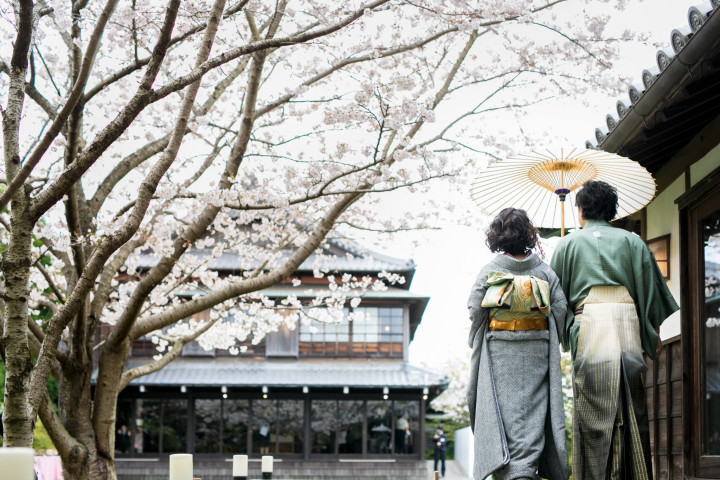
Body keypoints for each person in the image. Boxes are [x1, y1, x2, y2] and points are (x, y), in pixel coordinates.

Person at [550, 180, 679, 480]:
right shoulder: (633, 242)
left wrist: (570, 330)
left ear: (580, 211)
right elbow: (650, 294)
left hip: (588, 323)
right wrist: (651, 334)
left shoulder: (568, 244)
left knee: (591, 405)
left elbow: (555, 300)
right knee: (630, 401)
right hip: (627, 324)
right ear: (611, 211)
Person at [467, 207, 569, 480]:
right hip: (537, 346)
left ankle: (509, 469)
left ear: (497, 237)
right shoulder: (544, 271)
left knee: (502, 409)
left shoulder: (490, 270)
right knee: (535, 407)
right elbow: (559, 309)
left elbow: (475, 308)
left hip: (501, 347)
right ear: (529, 235)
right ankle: (526, 468)